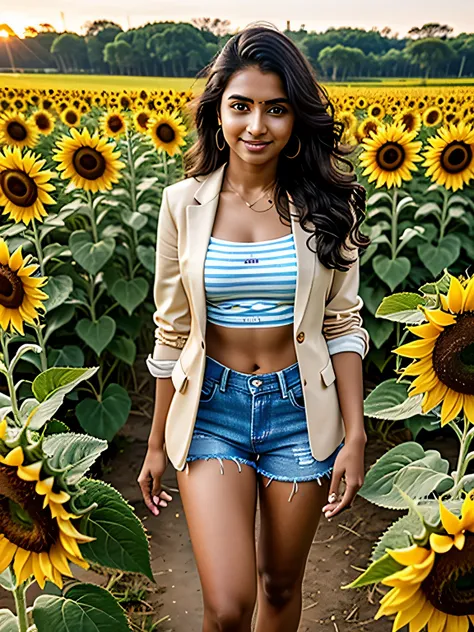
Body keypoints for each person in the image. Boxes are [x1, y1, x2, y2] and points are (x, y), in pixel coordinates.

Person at [138, 21, 371, 632]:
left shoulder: (329, 204)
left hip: (300, 409)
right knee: (228, 603)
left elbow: (343, 325)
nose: (257, 126)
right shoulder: (180, 205)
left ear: (296, 120)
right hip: (211, 407)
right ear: (218, 112)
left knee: (278, 583)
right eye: (241, 106)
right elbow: (171, 332)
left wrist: (355, 433)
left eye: (277, 109)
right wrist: (158, 440)